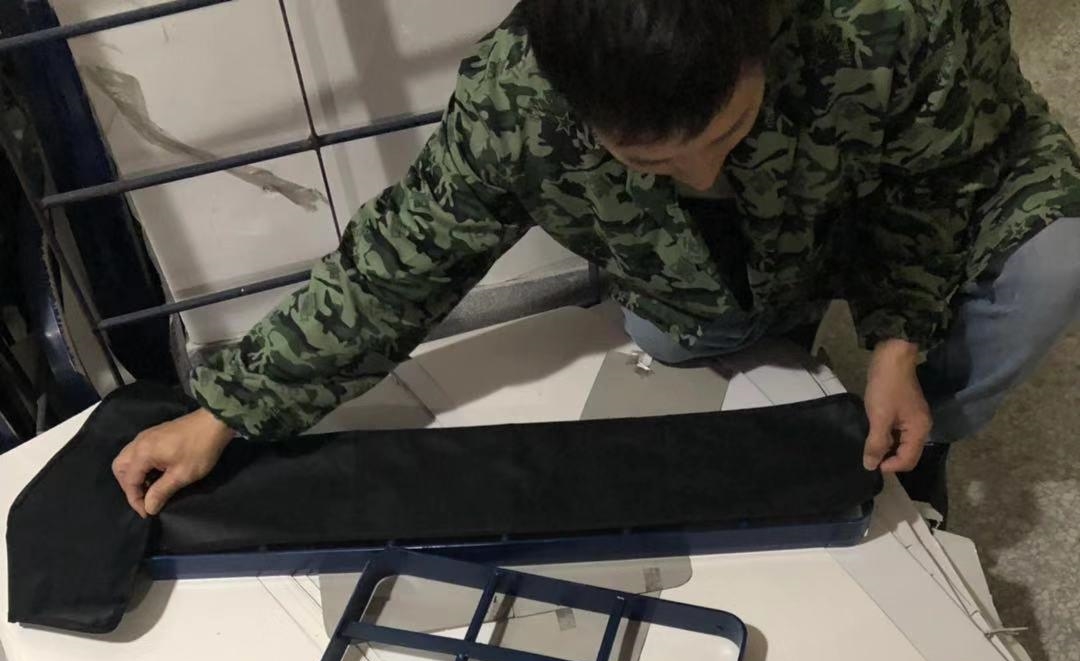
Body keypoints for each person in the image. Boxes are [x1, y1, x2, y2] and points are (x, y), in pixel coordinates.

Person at [113, 0, 1080, 521]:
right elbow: (401, 259)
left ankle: (924, 438)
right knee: (682, 343)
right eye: (652, 160)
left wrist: (900, 343)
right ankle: (773, 322)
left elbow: (942, 177)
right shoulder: (515, 98)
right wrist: (227, 411)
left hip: (883, 188)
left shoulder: (907, 16)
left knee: (1053, 264)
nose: (704, 173)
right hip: (718, 265)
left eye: (730, 130)